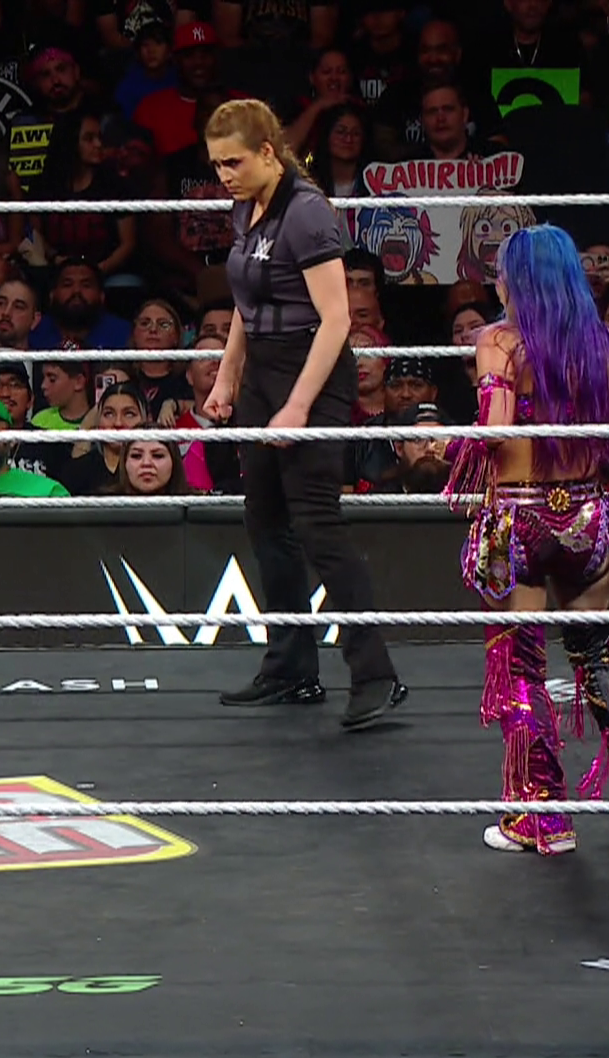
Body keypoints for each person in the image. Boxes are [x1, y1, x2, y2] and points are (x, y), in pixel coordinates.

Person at [446, 223, 609, 857]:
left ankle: (541, 817)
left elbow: (493, 432)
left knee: (520, 665)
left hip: (519, 518)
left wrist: (455, 448)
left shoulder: (498, 342)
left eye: (501, 276)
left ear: (516, 283)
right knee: (597, 653)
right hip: (588, 517)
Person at [199, 98, 404, 729]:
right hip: (264, 370)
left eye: (234, 162)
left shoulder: (307, 212)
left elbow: (337, 319)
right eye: (216, 165)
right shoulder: (246, 206)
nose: (224, 176)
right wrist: (228, 376)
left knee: (317, 523)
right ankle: (290, 666)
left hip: (312, 369)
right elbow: (245, 302)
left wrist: (297, 406)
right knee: (264, 518)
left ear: (268, 152)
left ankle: (376, 674)